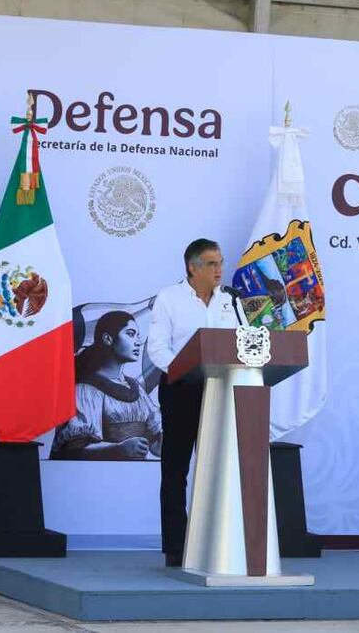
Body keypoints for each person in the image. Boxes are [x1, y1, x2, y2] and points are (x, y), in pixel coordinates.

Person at [147, 238, 240, 568]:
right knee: (176, 469)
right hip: (181, 390)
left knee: (220, 468)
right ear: (192, 267)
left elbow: (241, 342)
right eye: (212, 264)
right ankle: (177, 547)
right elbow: (156, 348)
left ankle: (219, 545)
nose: (219, 270)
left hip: (221, 389)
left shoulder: (230, 301)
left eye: (221, 263)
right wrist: (184, 370)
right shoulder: (169, 299)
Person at [51, 310, 162, 460]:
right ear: (108, 339)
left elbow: (156, 444)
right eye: (130, 334)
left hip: (135, 477)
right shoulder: (86, 391)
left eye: (137, 335)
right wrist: (118, 449)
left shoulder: (137, 390)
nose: (137, 342)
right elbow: (72, 449)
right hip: (98, 476)